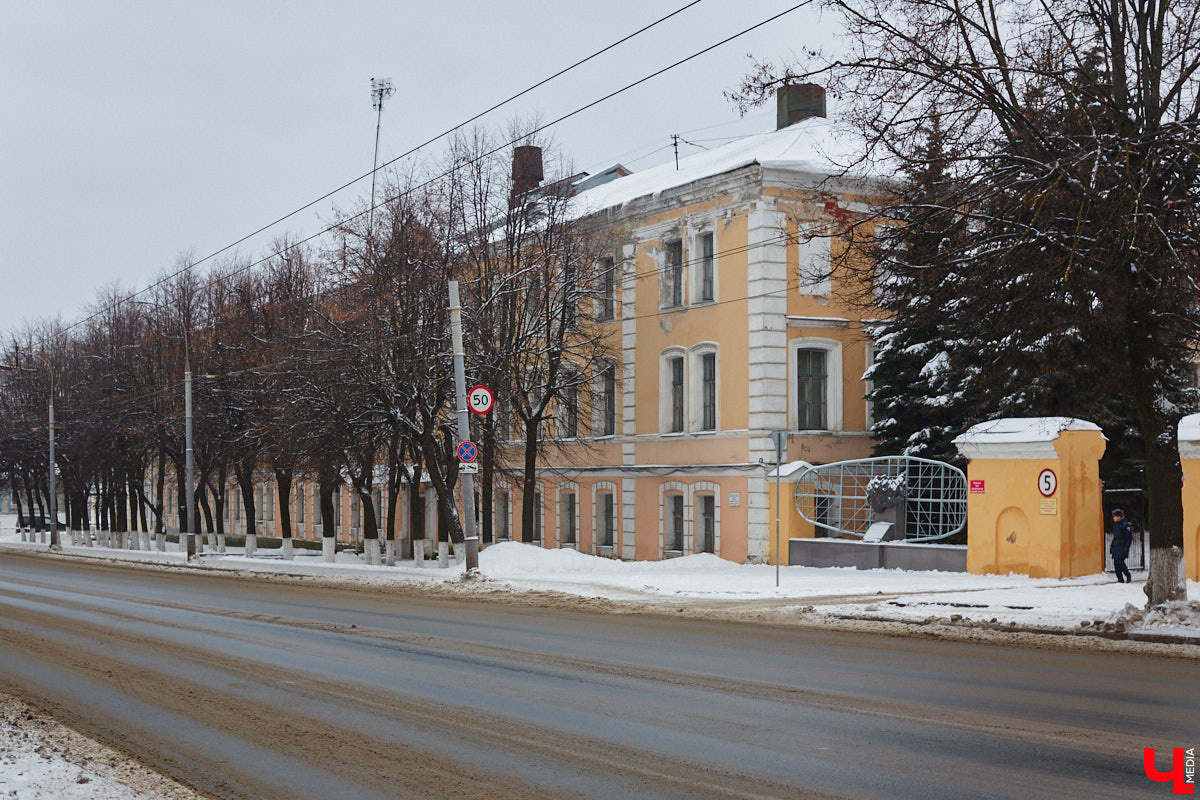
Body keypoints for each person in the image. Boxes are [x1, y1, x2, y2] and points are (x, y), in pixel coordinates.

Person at [1110, 508, 1133, 583]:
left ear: (1119, 517)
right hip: (1116, 546)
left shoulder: (1125, 525)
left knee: (1120, 562)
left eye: (1115, 516)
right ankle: (1120, 579)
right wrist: (1112, 546)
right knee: (1116, 563)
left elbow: (1129, 537)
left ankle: (1127, 575)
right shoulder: (1116, 526)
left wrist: (1126, 547)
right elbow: (1115, 537)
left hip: (1122, 546)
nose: (1114, 518)